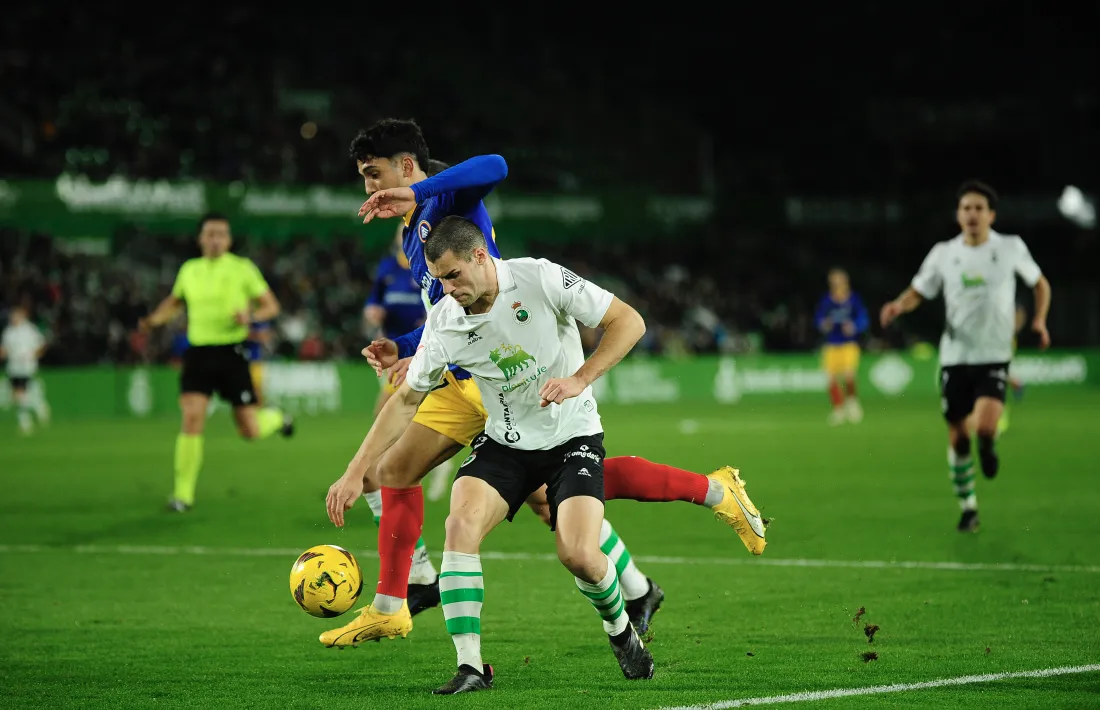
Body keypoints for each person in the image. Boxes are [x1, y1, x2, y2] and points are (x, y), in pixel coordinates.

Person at [326, 216, 767, 693]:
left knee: (578, 554)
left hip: (571, 439)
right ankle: (471, 667)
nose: (449, 289)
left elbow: (629, 321)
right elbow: (406, 400)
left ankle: (620, 630)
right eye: (440, 281)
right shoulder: (447, 320)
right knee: (459, 525)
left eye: (454, 276)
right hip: (505, 445)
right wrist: (355, 472)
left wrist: (580, 379)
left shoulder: (539, 277)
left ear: (480, 256)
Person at [326, 119, 664, 630]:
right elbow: (449, 318)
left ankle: (639, 585)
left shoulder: (448, 207)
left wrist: (415, 191)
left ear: (407, 166)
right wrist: (403, 346)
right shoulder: (411, 235)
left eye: (375, 175)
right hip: (461, 378)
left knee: (553, 501)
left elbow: (496, 166)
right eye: (365, 178)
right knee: (389, 472)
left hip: (499, 381)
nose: (370, 188)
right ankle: (412, 584)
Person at [880, 180, 1051, 533]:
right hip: (955, 357)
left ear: (991, 215)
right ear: (958, 215)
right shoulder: (944, 253)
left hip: (994, 355)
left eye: (979, 208)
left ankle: (988, 447)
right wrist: (899, 305)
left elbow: (1040, 283)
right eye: (966, 208)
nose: (972, 214)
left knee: (985, 428)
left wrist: (1039, 319)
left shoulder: (1010, 247)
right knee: (958, 438)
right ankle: (968, 507)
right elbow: (919, 291)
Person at [140, 213, 296, 512]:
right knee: (192, 417)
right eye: (210, 234)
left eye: (221, 234)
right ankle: (182, 495)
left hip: (231, 353)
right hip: (198, 353)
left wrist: (250, 317)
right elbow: (174, 302)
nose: (215, 239)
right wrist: (153, 320)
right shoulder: (189, 270)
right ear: (200, 238)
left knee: (249, 429)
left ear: (229, 239)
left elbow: (270, 306)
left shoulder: (242, 269)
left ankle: (277, 419)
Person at [364, 230, 457, 501]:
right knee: (401, 414)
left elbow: (440, 306)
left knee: (388, 412)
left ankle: (387, 481)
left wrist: (427, 330)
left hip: (424, 348)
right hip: (395, 348)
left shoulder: (429, 265)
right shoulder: (387, 268)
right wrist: (373, 311)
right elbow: (373, 301)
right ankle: (421, 466)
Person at [814, 268, 869, 425]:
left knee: (848, 374)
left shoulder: (853, 300)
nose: (836, 285)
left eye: (839, 282)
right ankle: (838, 409)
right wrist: (824, 324)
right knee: (830, 378)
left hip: (848, 344)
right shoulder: (827, 301)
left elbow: (863, 319)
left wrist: (854, 326)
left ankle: (852, 403)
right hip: (831, 343)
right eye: (833, 282)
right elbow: (819, 319)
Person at [1, 306, 49, 435]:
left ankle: (25, 421)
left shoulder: (30, 330)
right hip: (13, 366)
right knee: (18, 394)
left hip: (26, 366)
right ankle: (38, 407)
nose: (13, 318)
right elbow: (4, 349)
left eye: (16, 316)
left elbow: (41, 345)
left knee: (20, 392)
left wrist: (33, 356)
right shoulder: (8, 332)